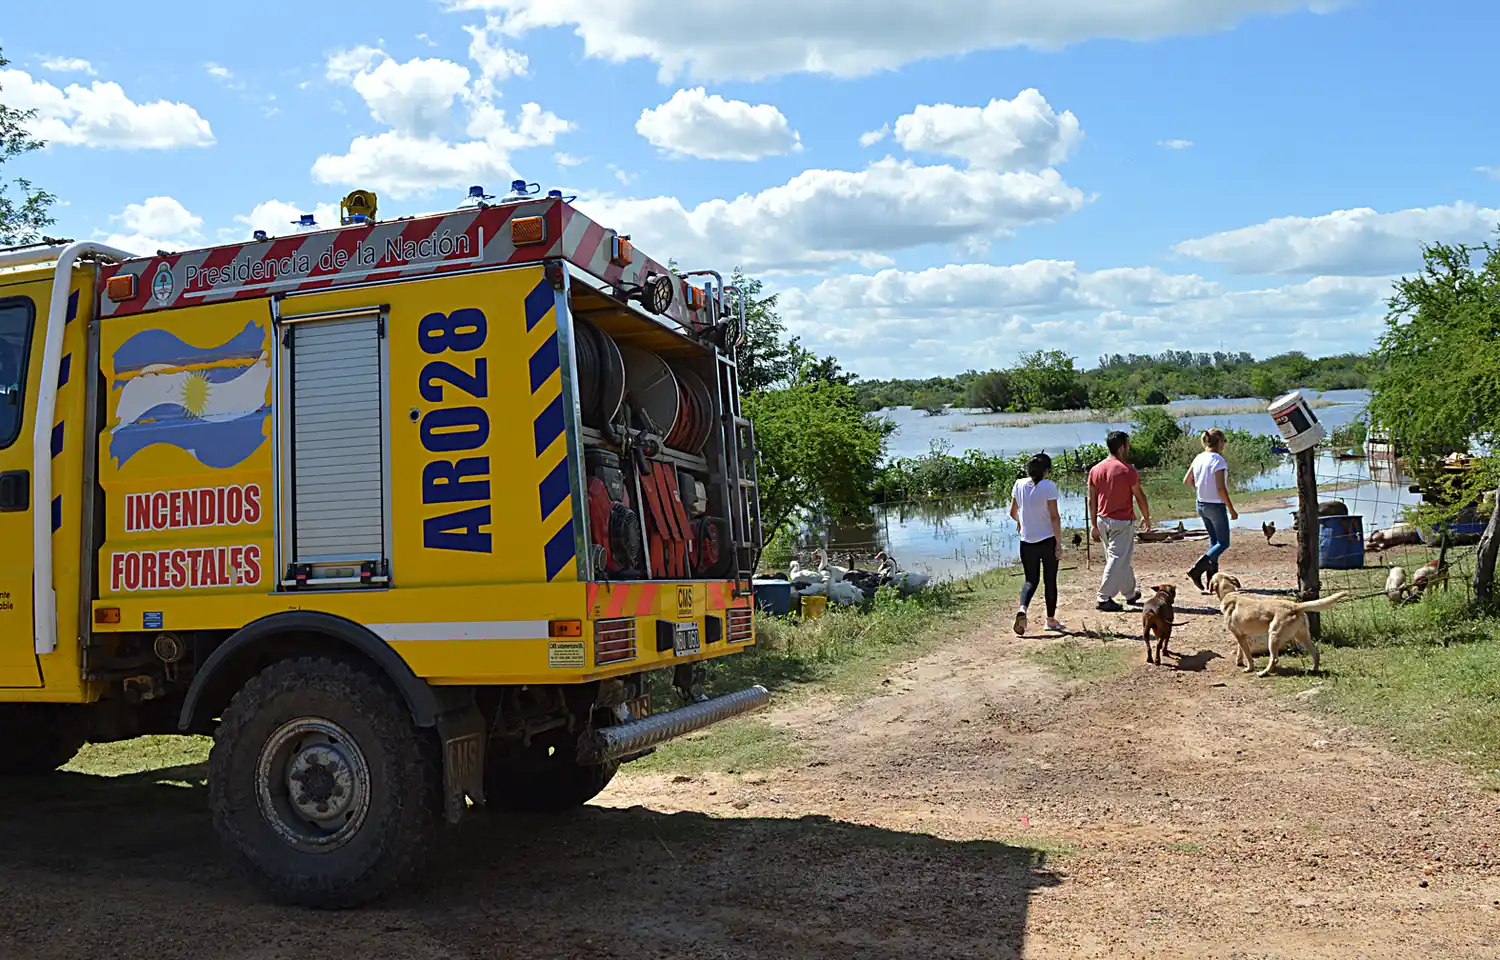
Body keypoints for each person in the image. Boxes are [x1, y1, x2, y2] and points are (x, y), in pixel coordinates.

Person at [1087, 431, 1151, 612]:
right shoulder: (1127, 470)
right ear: (1122, 447)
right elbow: (1139, 496)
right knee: (1117, 559)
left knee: (1119, 558)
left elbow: (1091, 500)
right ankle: (1104, 597)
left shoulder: (1095, 470)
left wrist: (1093, 524)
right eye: (1128, 445)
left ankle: (1130, 593)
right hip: (1122, 522)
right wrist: (1146, 517)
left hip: (1102, 520)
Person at [1009, 453, 1066, 636]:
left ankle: (1023, 609)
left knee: (1030, 580)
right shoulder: (1048, 486)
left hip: (1026, 541)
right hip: (1047, 540)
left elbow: (1012, 512)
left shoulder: (1019, 484)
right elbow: (1054, 516)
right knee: (1050, 581)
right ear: (1046, 471)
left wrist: (1022, 522)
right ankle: (1050, 620)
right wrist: (1058, 543)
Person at [1184, 427, 1238, 591]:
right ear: (1220, 442)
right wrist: (1231, 509)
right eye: (1224, 442)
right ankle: (1196, 570)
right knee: (1223, 543)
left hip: (1201, 504)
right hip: (1215, 505)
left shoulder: (1199, 457)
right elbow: (1221, 489)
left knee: (1214, 542)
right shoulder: (1218, 460)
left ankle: (1211, 582)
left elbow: (1187, 480)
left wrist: (1201, 489)